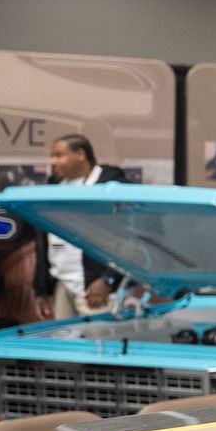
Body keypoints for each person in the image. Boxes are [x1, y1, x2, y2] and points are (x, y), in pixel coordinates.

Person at [32, 133, 128, 320]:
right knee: (65, 344)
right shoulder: (54, 187)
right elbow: (43, 241)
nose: (53, 162)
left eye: (59, 155)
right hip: (62, 283)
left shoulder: (112, 187)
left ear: (80, 154)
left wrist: (109, 279)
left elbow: (128, 238)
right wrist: (41, 289)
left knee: (99, 344)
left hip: (96, 286)